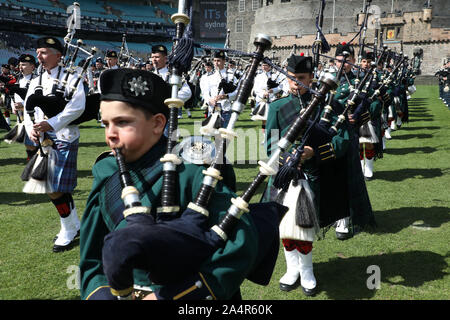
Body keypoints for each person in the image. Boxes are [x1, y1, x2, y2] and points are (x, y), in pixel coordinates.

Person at [79, 68, 282, 300]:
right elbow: (92, 259)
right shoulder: (105, 171)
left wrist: (170, 297)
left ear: (157, 124)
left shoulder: (193, 169)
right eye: (105, 124)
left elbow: (239, 242)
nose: (110, 134)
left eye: (122, 122)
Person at [23, 36, 86, 252]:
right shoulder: (36, 79)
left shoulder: (73, 76)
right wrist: (31, 127)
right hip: (43, 138)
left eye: (44, 53)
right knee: (54, 186)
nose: (39, 57)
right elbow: (28, 107)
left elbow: (77, 107)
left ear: (58, 55)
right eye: (38, 52)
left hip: (65, 136)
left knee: (54, 187)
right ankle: (73, 225)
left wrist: (51, 124)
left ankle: (68, 228)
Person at [150, 44, 192, 120]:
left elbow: (187, 92)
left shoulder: (173, 74)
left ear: (165, 59)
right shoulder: (149, 74)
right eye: (152, 57)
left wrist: (171, 99)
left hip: (168, 115)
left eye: (157, 57)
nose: (154, 60)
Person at [201, 50, 238, 130]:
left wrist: (227, 96)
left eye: (218, 61)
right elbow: (205, 91)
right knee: (214, 134)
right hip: (213, 109)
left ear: (224, 61)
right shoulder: (209, 77)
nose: (216, 63)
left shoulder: (231, 76)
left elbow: (237, 92)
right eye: (214, 61)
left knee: (224, 136)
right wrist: (209, 100)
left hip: (225, 109)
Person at [12, 54, 38, 161]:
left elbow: (38, 100)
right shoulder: (19, 80)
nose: (20, 67)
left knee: (34, 142)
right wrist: (13, 106)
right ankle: (32, 162)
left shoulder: (37, 80)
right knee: (28, 144)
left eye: (24, 65)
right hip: (22, 118)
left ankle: (36, 163)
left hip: (33, 117)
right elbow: (15, 96)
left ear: (32, 66)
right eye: (20, 65)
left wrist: (23, 106)